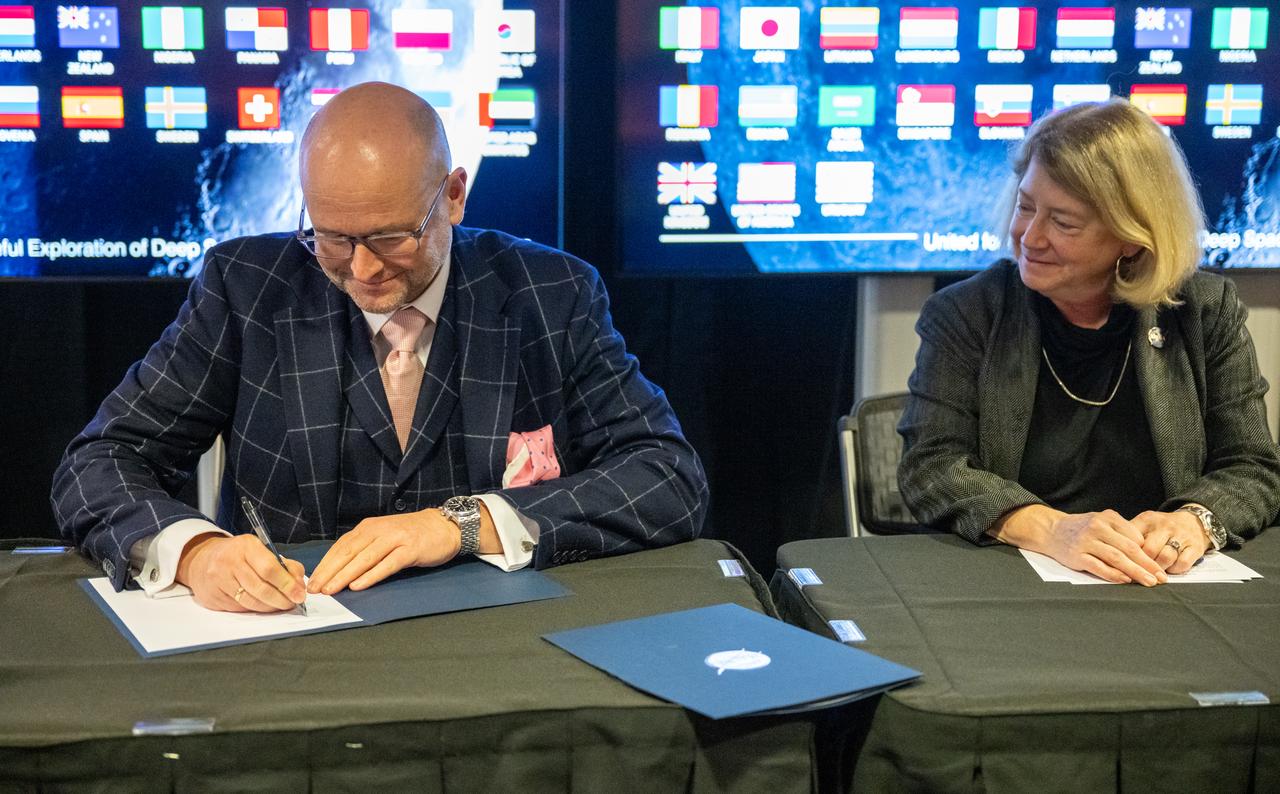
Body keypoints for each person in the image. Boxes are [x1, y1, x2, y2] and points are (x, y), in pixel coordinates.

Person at [52, 82, 707, 612]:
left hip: (497, 641)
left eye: (392, 237)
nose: (362, 269)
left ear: (453, 195)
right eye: (332, 238)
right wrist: (193, 552)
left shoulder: (550, 292)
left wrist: (464, 523)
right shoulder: (247, 290)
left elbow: (666, 477)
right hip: (291, 640)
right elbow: (101, 459)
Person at [898, 98, 1280, 585]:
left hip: (1160, 586)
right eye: (1026, 206)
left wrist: (1193, 522)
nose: (1030, 237)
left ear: (1132, 237)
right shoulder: (968, 313)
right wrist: (1053, 529)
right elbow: (931, 469)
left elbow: (1253, 466)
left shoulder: (1205, 311)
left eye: (1063, 222)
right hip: (1009, 586)